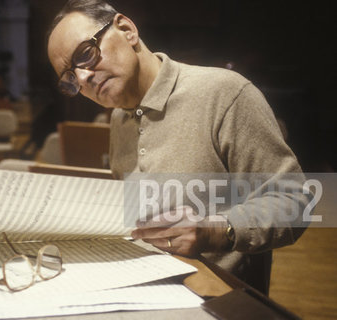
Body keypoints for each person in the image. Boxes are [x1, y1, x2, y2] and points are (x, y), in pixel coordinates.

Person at [47, 0, 311, 294]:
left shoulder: (224, 93)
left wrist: (215, 230)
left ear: (126, 29)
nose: (83, 78)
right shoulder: (119, 119)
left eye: (85, 54)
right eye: (70, 78)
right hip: (142, 289)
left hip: (218, 300)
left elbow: (296, 201)